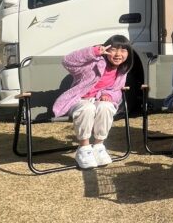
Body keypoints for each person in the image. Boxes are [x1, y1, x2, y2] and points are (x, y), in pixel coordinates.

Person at [52, 34, 134, 170]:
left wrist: (108, 94)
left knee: (106, 107)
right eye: (114, 49)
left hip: (99, 101)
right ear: (106, 49)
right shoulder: (93, 63)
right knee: (88, 108)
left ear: (128, 54)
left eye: (123, 50)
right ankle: (84, 148)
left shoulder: (122, 70)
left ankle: (98, 146)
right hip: (80, 100)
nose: (118, 54)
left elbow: (117, 90)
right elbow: (67, 61)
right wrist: (93, 51)